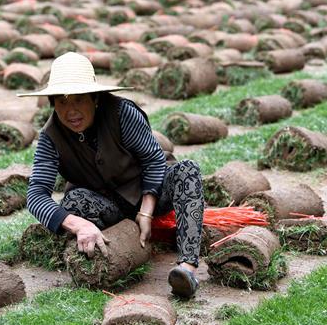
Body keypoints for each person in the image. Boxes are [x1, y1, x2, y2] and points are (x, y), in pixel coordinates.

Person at [23, 53, 204, 299]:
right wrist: (79, 224)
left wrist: (146, 211)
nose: (71, 111)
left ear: (95, 98)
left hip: (148, 192)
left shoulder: (121, 113)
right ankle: (115, 245)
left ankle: (187, 268)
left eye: (78, 99)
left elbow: (153, 159)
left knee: (188, 171)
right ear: (52, 103)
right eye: (62, 102)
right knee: (74, 202)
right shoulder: (50, 136)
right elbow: (35, 195)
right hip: (106, 205)